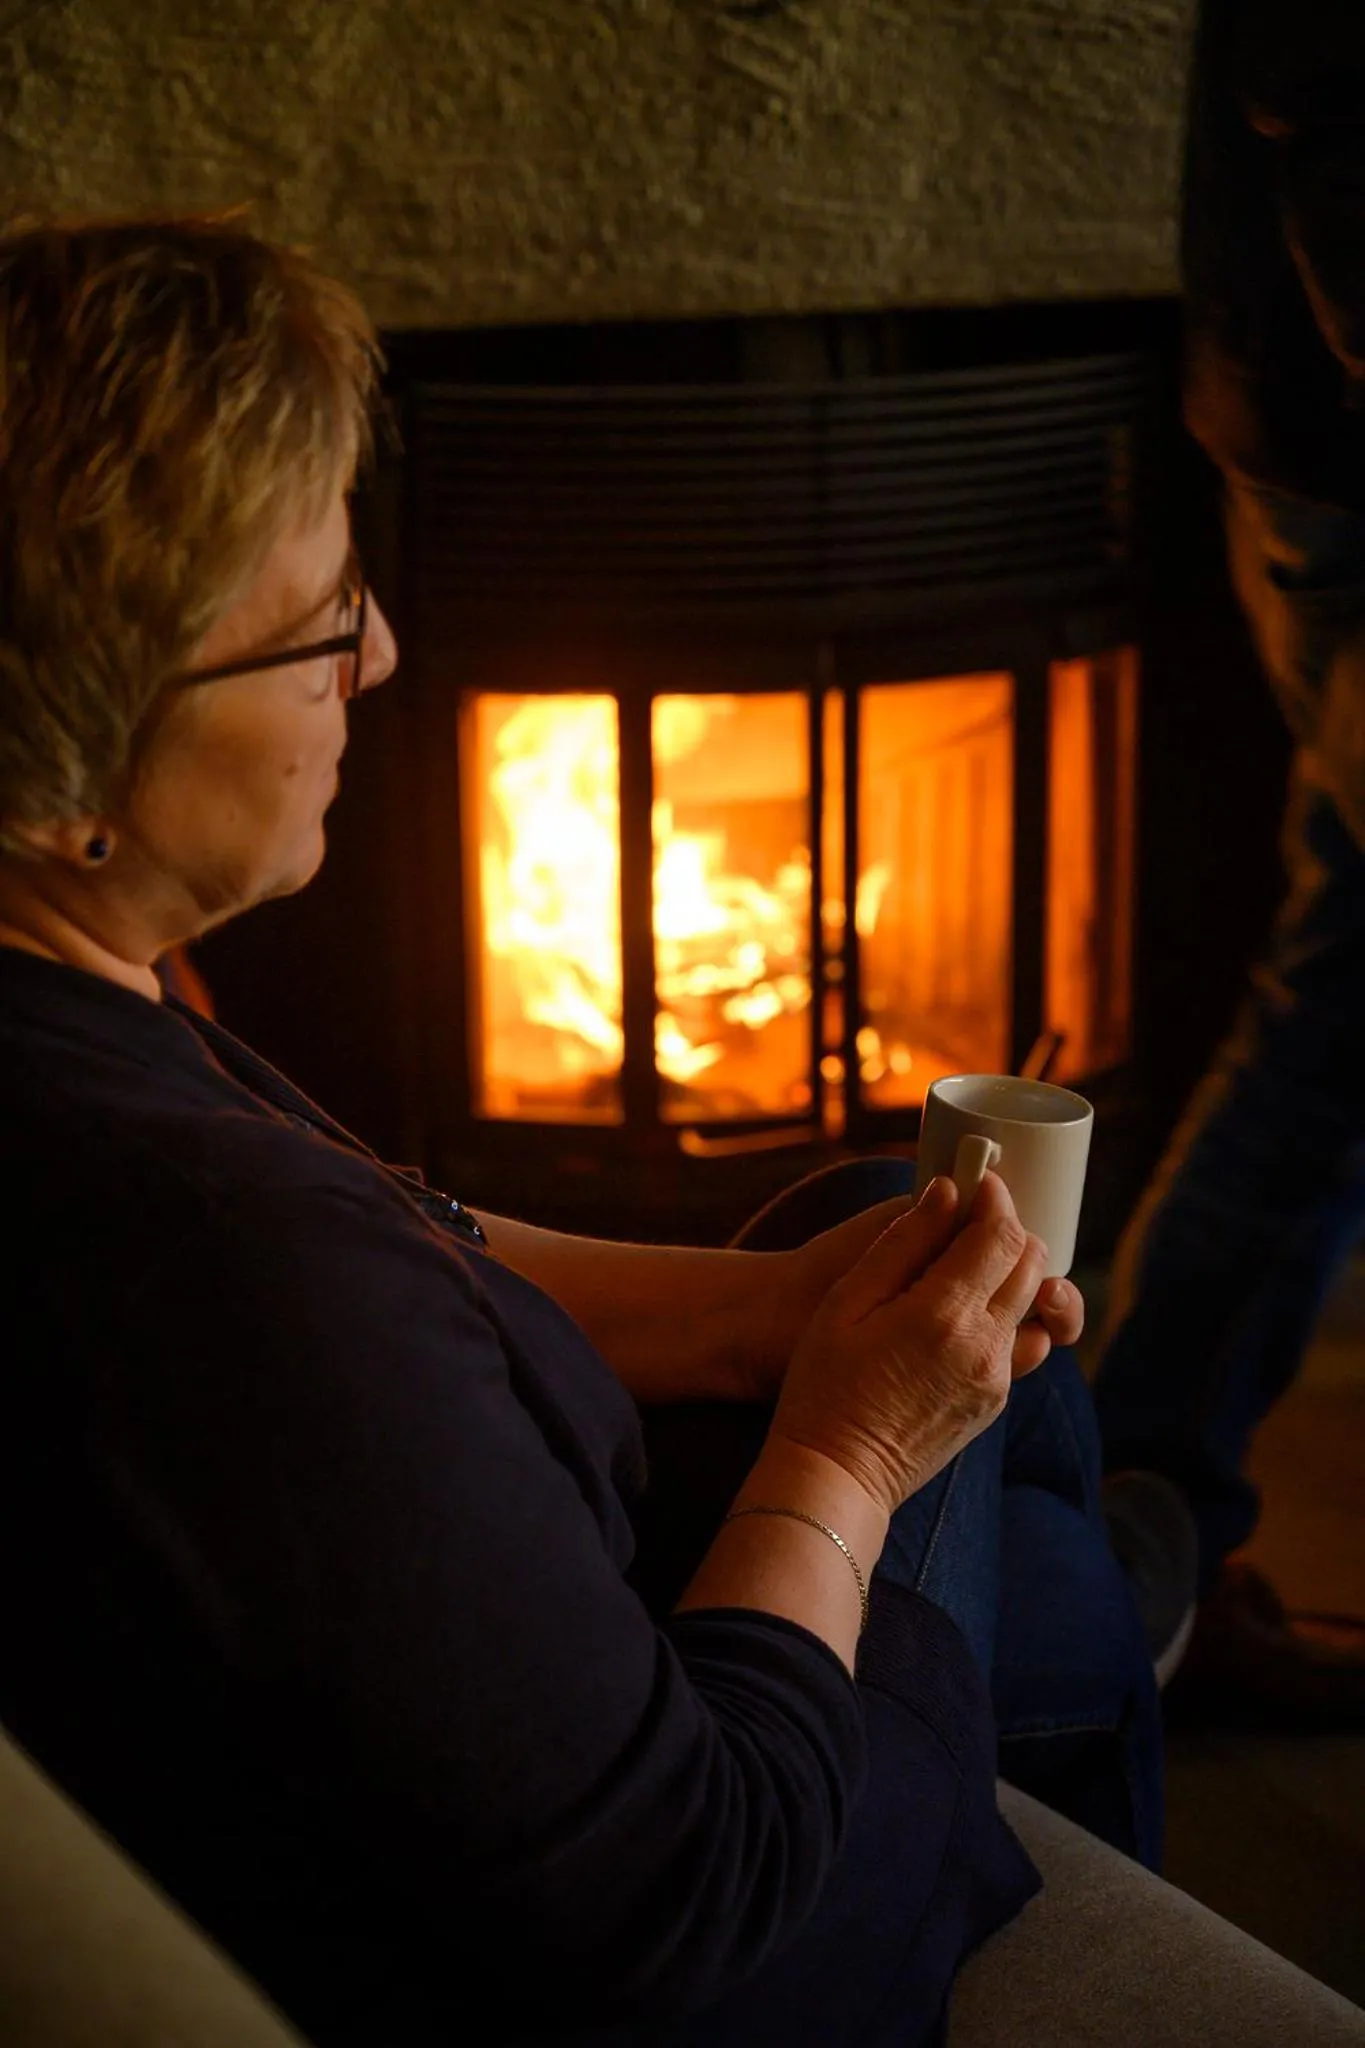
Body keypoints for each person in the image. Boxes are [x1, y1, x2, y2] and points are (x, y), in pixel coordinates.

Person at [0, 215, 1160, 2048]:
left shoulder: (77, 1008)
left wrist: (754, 1319)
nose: (378, 654)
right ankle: (1076, 1684)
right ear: (70, 784)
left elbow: (398, 1224)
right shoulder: (220, 1279)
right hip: (717, 1927)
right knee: (1030, 1478)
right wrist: (849, 1444)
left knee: (897, 1222)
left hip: (475, 1628)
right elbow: (694, 1894)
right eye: (312, 633)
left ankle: (1076, 1626)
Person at [1092, 0, 1365, 1726]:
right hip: (1343, 438)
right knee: (1340, 1021)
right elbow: (1323, 84)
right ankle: (1123, 1551)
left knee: (1341, 1007)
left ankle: (1129, 1540)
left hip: (1314, 423)